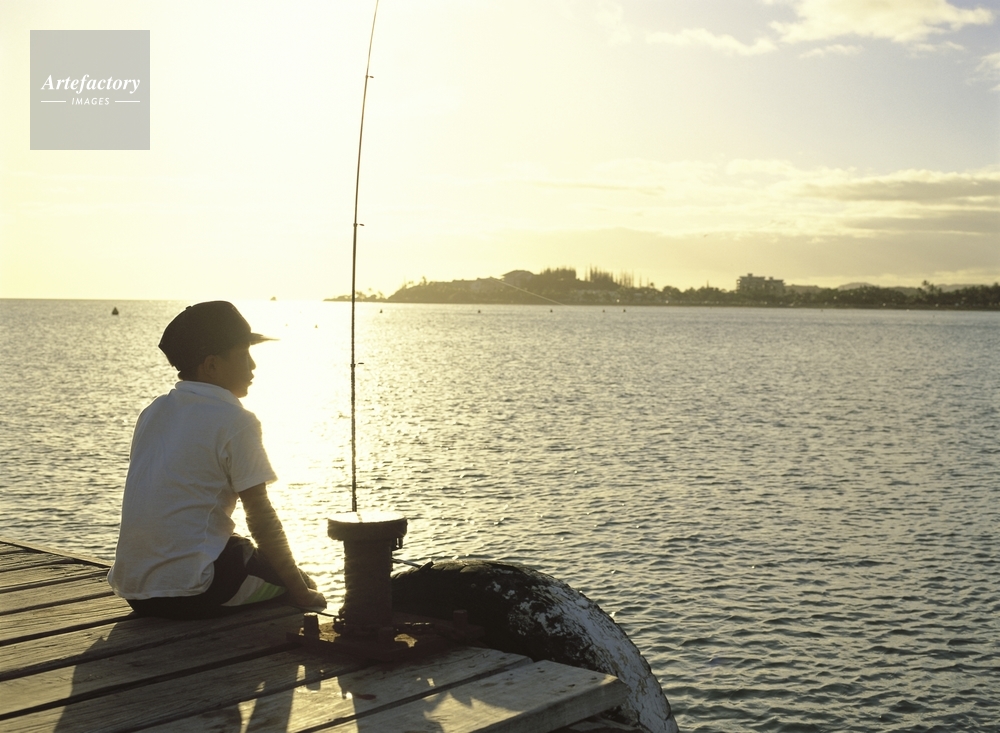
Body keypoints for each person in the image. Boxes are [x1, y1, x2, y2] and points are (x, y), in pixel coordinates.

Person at [108, 301, 326, 619]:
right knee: (299, 583)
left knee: (237, 549)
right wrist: (301, 592)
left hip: (136, 591)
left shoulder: (153, 412)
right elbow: (261, 516)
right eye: (243, 355)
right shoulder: (235, 420)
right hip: (194, 591)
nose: (253, 366)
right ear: (211, 365)